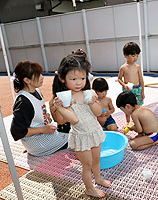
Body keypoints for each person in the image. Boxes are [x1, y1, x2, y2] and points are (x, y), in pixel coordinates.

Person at [52, 55, 110, 198]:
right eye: (73, 79)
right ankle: (89, 188)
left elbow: (98, 113)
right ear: (62, 78)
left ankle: (98, 178)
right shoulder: (63, 98)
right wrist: (59, 108)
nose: (79, 83)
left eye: (82, 78)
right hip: (81, 135)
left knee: (96, 159)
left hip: (94, 130)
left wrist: (92, 102)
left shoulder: (88, 93)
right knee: (87, 164)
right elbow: (73, 120)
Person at [10, 61, 68, 157]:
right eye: (38, 75)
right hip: (36, 141)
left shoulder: (35, 90)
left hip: (43, 133)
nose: (42, 77)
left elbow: (36, 113)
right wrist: (43, 129)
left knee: (70, 126)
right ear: (27, 80)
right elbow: (17, 132)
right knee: (74, 135)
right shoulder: (23, 102)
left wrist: (45, 117)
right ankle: (35, 150)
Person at [118, 42, 145, 123]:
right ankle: (128, 122)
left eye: (137, 56)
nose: (135, 58)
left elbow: (141, 80)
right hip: (128, 90)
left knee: (138, 106)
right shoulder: (123, 67)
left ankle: (138, 120)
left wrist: (143, 91)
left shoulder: (137, 67)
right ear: (126, 55)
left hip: (138, 89)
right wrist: (124, 85)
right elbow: (119, 79)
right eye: (133, 56)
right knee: (128, 107)